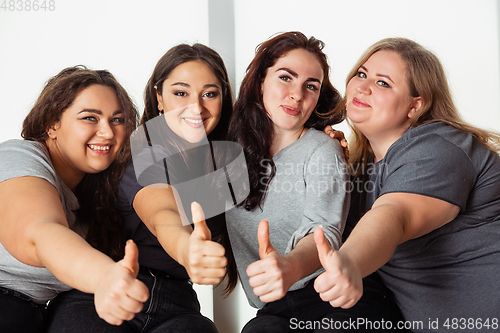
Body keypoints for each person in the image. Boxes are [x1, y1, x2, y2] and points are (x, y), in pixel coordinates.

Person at [46, 44, 246, 333]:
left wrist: (330, 140)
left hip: (178, 305)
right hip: (105, 290)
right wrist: (186, 247)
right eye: (181, 93)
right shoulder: (144, 149)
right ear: (159, 97)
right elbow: (160, 211)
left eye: (209, 94)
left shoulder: (229, 163)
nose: (197, 107)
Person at [314, 37, 500, 331]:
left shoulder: (437, 146)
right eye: (361, 74)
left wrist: (349, 262)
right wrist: (325, 162)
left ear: (416, 105)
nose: (363, 87)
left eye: (383, 83)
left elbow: (395, 215)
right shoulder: (361, 172)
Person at [226, 31, 402, 333]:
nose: (297, 94)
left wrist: (290, 265)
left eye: (311, 86)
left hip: (339, 298)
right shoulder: (228, 158)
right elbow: (176, 207)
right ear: (260, 82)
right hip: (278, 310)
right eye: (285, 78)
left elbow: (324, 230)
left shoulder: (323, 149)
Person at [0, 66, 149, 332]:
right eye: (90, 118)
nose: (107, 132)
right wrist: (105, 277)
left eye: (117, 120)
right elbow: (41, 232)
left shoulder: (95, 200)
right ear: (52, 124)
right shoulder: (20, 156)